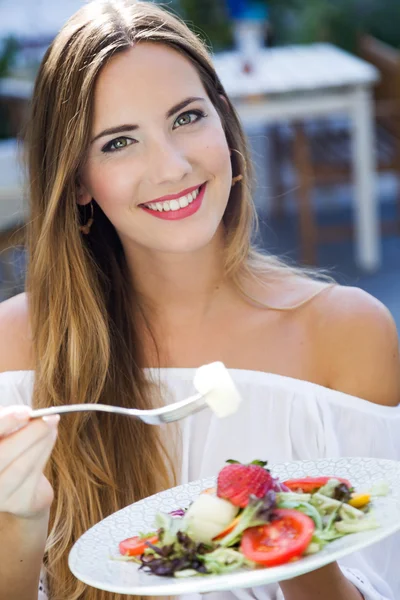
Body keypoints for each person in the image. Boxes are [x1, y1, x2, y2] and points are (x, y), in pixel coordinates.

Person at [0, 1, 399, 599]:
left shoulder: (348, 334)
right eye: (118, 142)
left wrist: (296, 540)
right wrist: (20, 522)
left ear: (225, 122)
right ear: (78, 181)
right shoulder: (15, 351)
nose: (172, 166)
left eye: (186, 118)